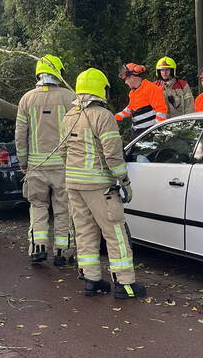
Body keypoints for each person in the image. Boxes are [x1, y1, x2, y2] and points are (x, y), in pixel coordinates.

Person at [62, 68, 147, 300]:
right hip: (100, 186)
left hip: (74, 185)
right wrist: (125, 181)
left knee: (85, 232)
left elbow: (63, 152)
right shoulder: (103, 116)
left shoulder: (69, 115)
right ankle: (125, 284)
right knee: (115, 233)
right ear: (101, 89)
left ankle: (92, 280)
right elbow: (113, 154)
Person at [15, 54, 75, 266]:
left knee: (38, 206)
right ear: (58, 72)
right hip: (63, 166)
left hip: (36, 166)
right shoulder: (70, 97)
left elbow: (20, 135)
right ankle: (62, 252)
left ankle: (38, 248)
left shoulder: (27, 99)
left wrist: (23, 161)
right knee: (63, 209)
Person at [115, 63, 168, 135]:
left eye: (126, 79)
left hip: (150, 134)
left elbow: (161, 111)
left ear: (132, 77)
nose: (125, 82)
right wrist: (115, 117)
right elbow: (130, 109)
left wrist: (156, 132)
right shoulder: (132, 93)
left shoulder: (152, 89)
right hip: (138, 133)